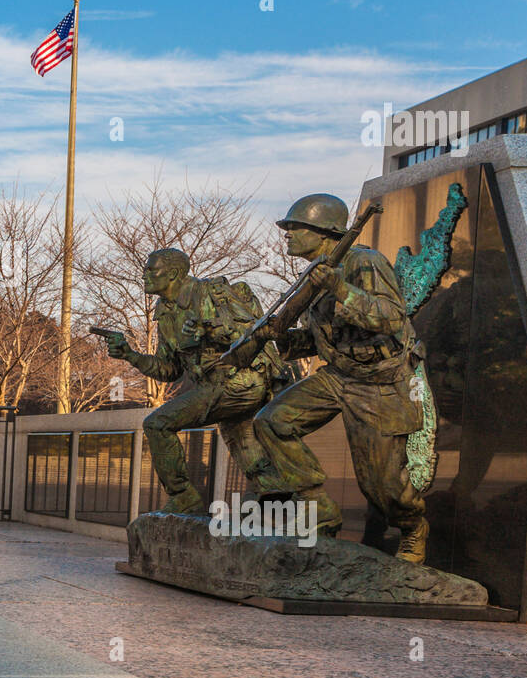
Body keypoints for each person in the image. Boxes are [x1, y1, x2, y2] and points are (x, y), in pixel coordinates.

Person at [251, 194, 429, 562]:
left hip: (379, 382)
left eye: (294, 228)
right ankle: (319, 509)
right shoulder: (316, 270)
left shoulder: (364, 262)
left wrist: (338, 287)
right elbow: (322, 339)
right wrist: (279, 339)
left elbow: (391, 317)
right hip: (337, 376)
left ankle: (413, 527)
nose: (287, 235)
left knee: (382, 488)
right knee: (273, 421)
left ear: (324, 232)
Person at [98, 249, 291, 514]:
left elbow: (253, 333)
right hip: (214, 386)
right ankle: (278, 500)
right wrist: (130, 355)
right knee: (247, 448)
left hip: (241, 380)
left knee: (157, 424)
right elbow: (170, 370)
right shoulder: (165, 311)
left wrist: (209, 330)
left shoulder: (211, 293)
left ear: (175, 273)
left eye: (151, 270)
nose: (144, 275)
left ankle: (184, 497)